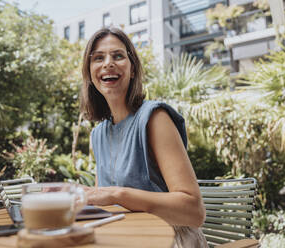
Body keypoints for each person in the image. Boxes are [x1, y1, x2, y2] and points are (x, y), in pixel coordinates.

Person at [80, 27, 208, 247]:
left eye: (118, 56)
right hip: (124, 238)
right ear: (90, 74)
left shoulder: (155, 118)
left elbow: (194, 212)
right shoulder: (98, 134)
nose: (108, 63)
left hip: (170, 239)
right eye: (98, 58)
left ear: (132, 69)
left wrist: (118, 195)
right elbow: (104, 203)